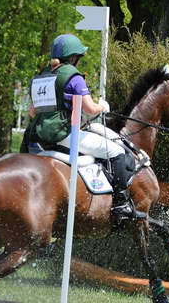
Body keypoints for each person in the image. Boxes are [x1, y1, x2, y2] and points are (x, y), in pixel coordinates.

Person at [27, 33, 143, 223]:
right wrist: (102, 107)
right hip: (62, 134)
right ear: (73, 57)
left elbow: (32, 111)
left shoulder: (41, 76)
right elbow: (89, 108)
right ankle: (121, 204)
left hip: (37, 136)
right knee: (116, 151)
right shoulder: (73, 76)